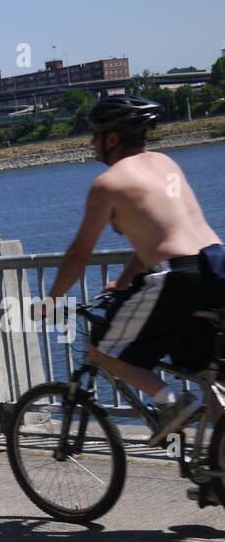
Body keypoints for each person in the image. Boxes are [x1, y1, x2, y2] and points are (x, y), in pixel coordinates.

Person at [47, 95, 225, 452]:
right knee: (213, 374)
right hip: (216, 264)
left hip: (176, 278)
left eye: (94, 135)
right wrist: (127, 279)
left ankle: (172, 401)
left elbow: (79, 254)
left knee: (101, 351)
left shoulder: (109, 183)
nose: (92, 143)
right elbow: (165, 232)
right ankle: (217, 470)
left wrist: (52, 299)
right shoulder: (165, 162)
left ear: (111, 139)